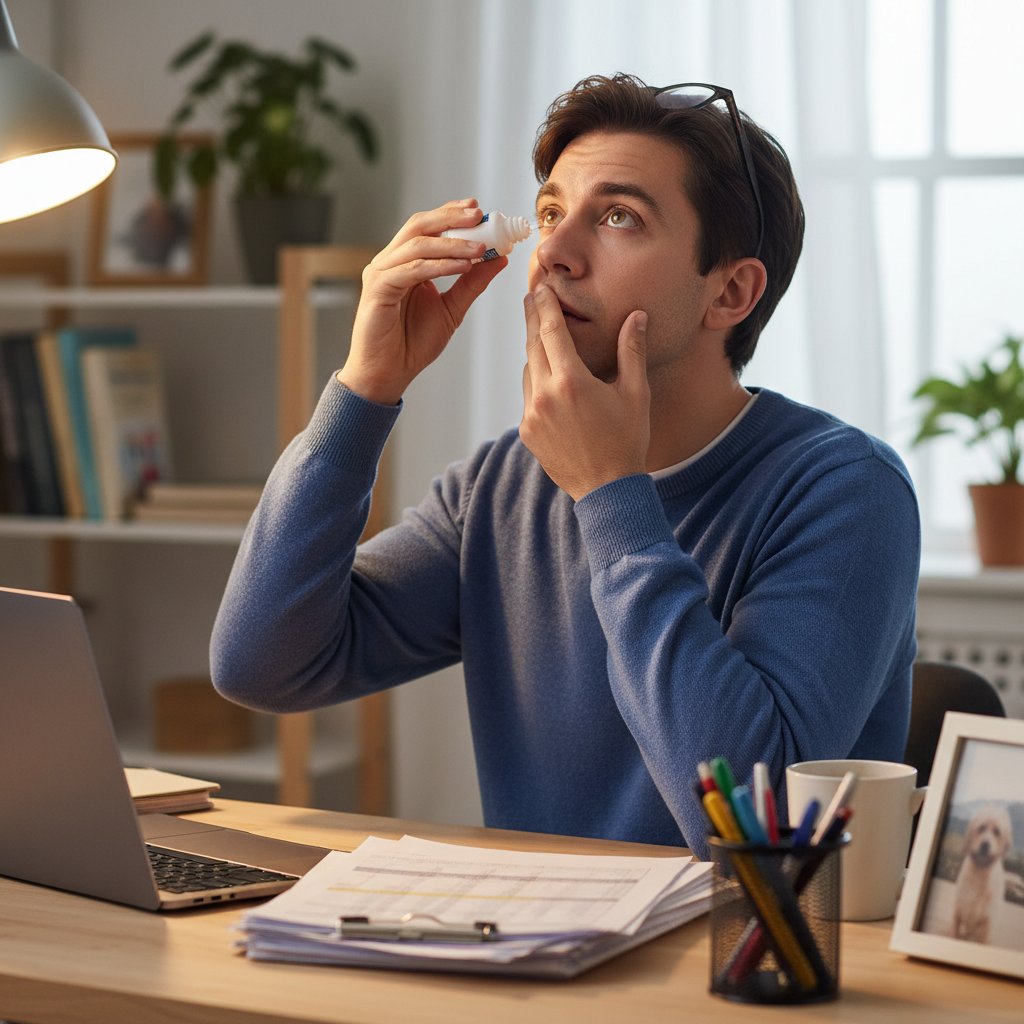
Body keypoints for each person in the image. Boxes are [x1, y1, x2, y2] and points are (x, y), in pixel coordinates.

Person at [211, 74, 920, 857]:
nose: (554, 252)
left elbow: (752, 835)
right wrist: (363, 392)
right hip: (536, 962)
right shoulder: (500, 488)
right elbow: (261, 666)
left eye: (619, 217)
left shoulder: (847, 491)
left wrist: (611, 497)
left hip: (743, 964)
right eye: (551, 212)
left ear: (731, 293)